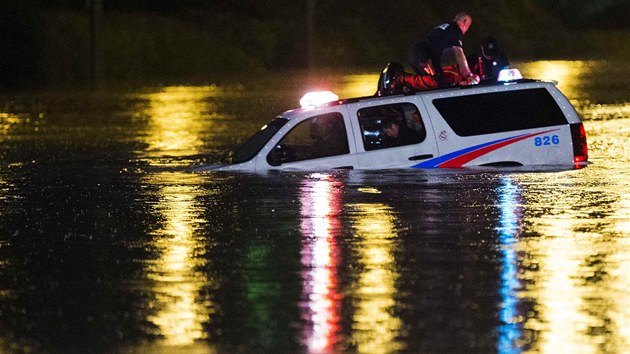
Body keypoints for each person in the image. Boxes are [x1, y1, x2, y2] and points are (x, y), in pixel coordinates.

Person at [407, 12, 478, 88]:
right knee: (441, 85)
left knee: (427, 84)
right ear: (464, 22)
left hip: (414, 53)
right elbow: (459, 53)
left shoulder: (446, 26)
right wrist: (469, 75)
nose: (467, 29)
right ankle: (403, 78)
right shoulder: (456, 29)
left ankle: (404, 80)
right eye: (468, 26)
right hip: (426, 55)